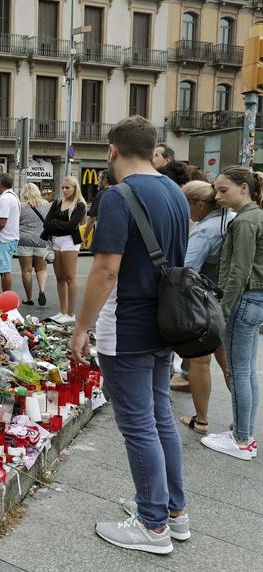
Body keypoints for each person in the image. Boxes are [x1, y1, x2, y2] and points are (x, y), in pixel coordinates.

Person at [71, 116, 190, 555]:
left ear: (113, 150)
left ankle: (152, 524)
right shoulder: (175, 191)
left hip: (128, 325)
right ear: (153, 147)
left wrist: (81, 327)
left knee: (139, 424)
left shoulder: (119, 197)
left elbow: (105, 271)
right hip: (165, 322)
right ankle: (173, 512)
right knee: (159, 417)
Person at [200, 166, 263, 461]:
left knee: (239, 372)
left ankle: (241, 439)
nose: (218, 195)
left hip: (244, 300)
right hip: (254, 300)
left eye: (223, 190)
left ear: (243, 188)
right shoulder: (254, 217)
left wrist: (223, 310)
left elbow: (239, 270)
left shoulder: (246, 221)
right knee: (246, 370)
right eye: (216, 190)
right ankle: (244, 433)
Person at [173, 181, 233, 435]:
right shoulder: (232, 217)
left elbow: (187, 269)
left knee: (200, 360)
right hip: (230, 299)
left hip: (208, 303)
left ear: (199, 204)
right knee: (230, 362)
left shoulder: (205, 230)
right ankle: (241, 419)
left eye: (186, 206)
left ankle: (203, 420)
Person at [42, 176, 86, 324]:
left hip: (70, 242)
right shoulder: (57, 203)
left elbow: (71, 226)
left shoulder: (80, 205)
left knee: (70, 277)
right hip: (56, 241)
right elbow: (46, 224)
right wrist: (57, 224)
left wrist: (55, 223)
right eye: (63, 187)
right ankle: (62, 311)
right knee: (59, 278)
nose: (65, 190)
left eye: (68, 187)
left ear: (75, 188)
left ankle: (71, 313)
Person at [16, 183, 50, 306]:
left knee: (26, 270)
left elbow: (15, 223)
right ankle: (42, 289)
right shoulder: (46, 204)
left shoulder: (20, 206)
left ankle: (29, 298)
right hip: (41, 240)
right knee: (41, 269)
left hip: (24, 240)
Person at [83, 170, 116, 239]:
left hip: (103, 235)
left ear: (105, 180)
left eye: (99, 179)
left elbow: (92, 219)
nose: (97, 182)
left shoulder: (101, 194)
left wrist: (85, 237)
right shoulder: (120, 192)